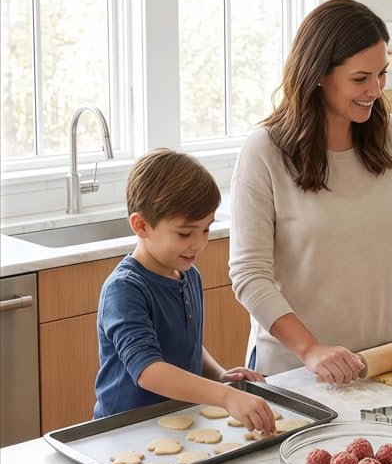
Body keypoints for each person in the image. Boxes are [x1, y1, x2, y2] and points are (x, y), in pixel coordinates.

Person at [229, 0, 392, 383]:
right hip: (297, 370)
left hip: (386, 359)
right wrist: (311, 349)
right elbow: (250, 275)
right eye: (360, 79)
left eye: (382, 74)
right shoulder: (265, 152)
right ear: (319, 74)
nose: (375, 89)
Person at [95, 149, 276, 433]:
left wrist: (219, 376)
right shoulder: (125, 289)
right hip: (125, 431)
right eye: (184, 233)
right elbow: (149, 371)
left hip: (179, 423)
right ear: (141, 225)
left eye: (205, 230)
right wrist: (226, 397)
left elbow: (185, 344)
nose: (198, 244)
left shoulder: (188, 274)